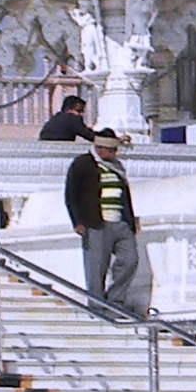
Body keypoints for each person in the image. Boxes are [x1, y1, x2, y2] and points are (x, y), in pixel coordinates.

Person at [66, 128, 146, 314]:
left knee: (130, 261)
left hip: (121, 222)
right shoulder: (83, 164)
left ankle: (115, 300)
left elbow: (125, 195)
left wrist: (131, 222)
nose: (114, 154)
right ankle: (96, 305)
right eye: (111, 150)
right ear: (100, 148)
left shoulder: (117, 166)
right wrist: (77, 221)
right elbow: (71, 193)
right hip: (96, 222)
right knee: (97, 266)